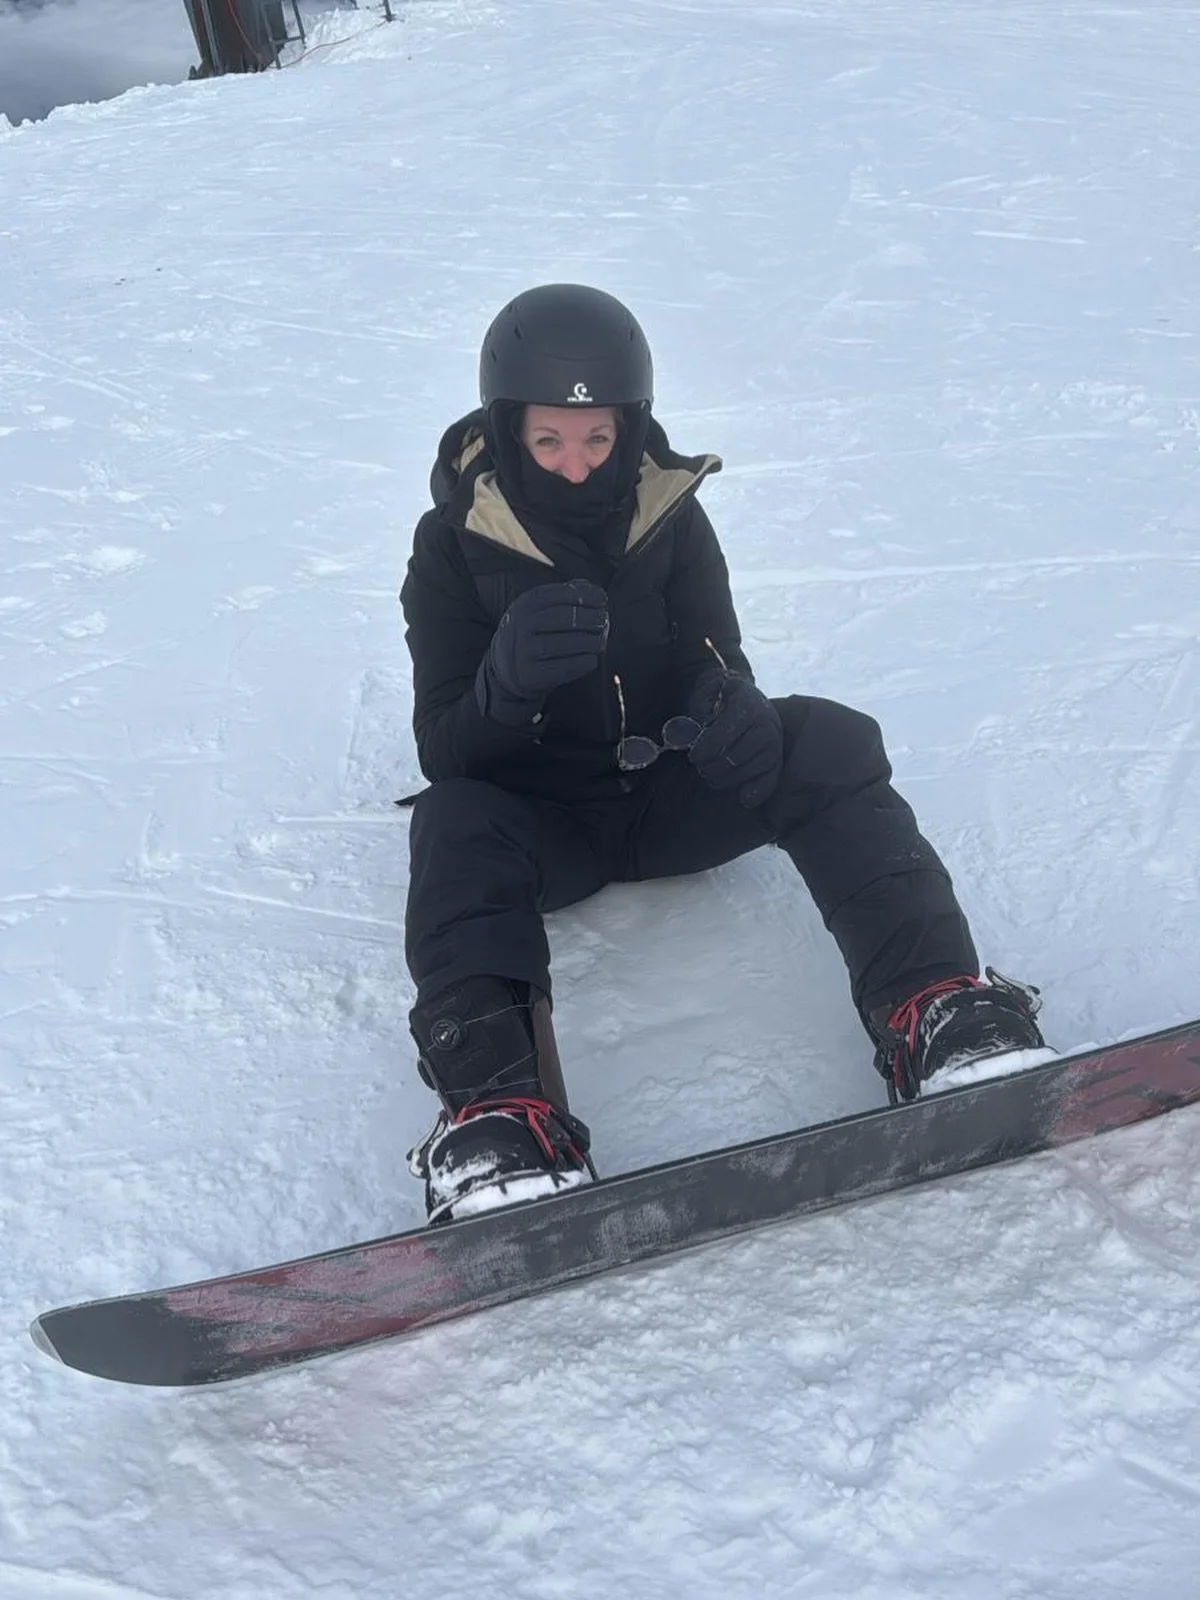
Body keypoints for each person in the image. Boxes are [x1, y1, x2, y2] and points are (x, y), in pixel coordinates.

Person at [399, 283, 1046, 1222]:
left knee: (821, 736)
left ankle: (938, 1013)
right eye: (548, 440)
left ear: (631, 426)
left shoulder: (671, 514)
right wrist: (504, 687)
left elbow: (716, 655)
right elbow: (444, 748)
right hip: (541, 825)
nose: (576, 466)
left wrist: (723, 705)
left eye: (597, 438)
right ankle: (502, 1123)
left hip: (665, 792)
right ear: (506, 432)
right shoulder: (450, 547)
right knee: (453, 822)